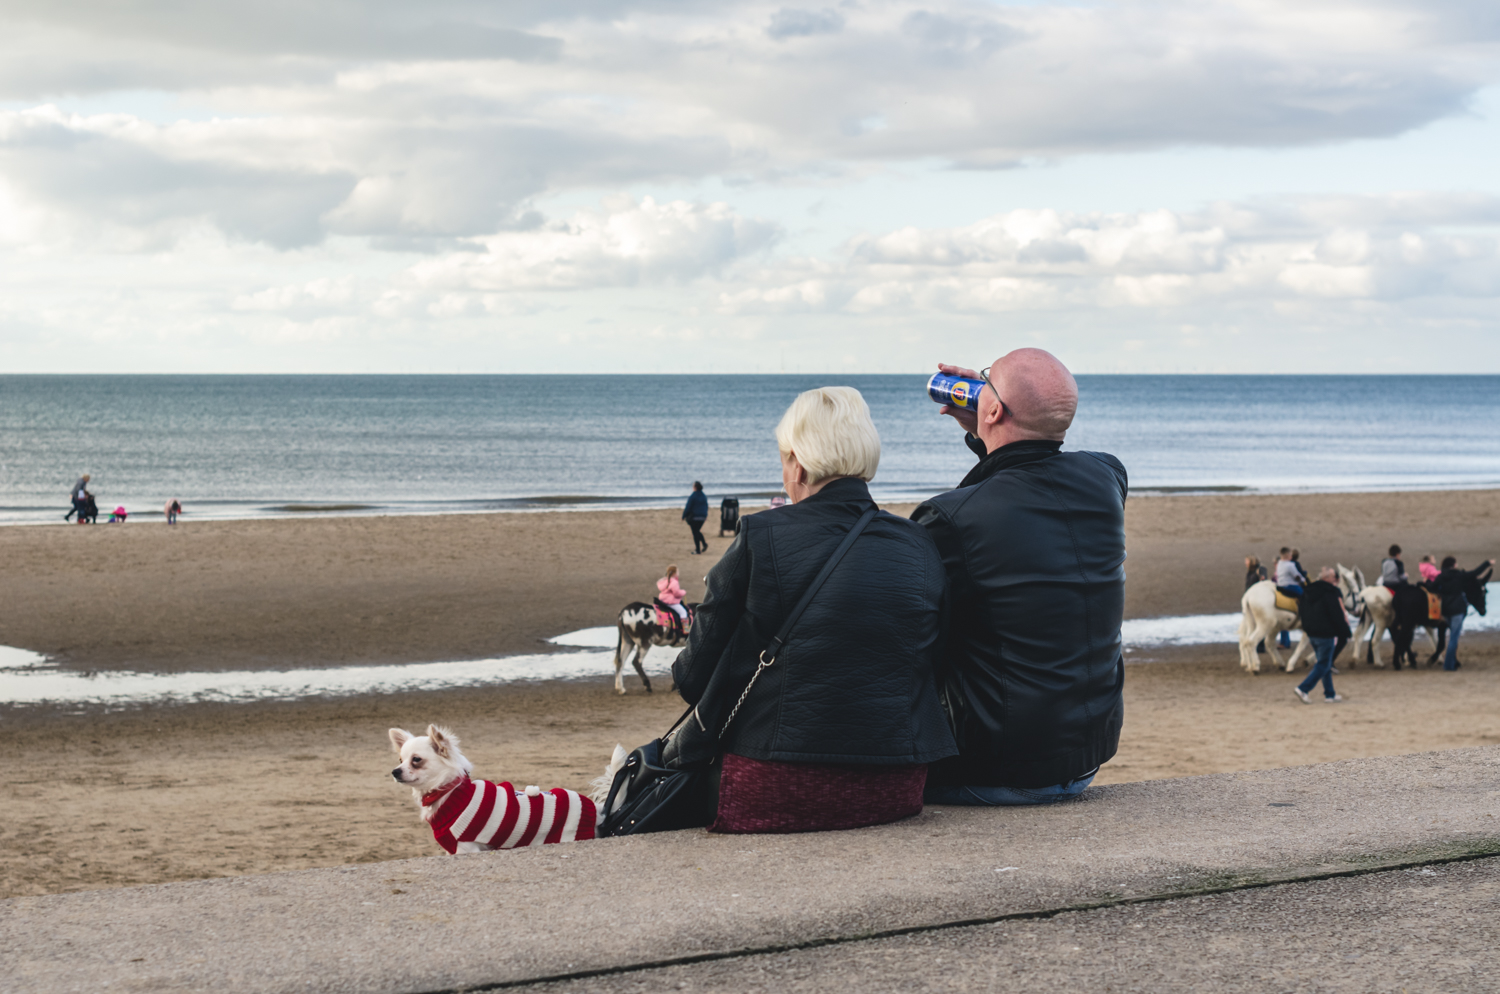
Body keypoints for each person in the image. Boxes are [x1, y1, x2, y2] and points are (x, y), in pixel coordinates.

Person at [667, 387, 957, 833]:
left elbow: (691, 679)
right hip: (895, 786)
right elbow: (934, 663)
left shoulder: (760, 535)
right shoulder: (918, 543)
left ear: (797, 463)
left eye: (783, 459)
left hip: (773, 782)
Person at [911, 349, 1126, 807]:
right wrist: (990, 430)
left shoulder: (944, 517)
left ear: (991, 408)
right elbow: (1029, 474)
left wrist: (992, 426)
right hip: (1085, 757)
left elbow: (980, 510)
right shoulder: (1107, 477)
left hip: (995, 767)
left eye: (987, 380)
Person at [1293, 566, 1352, 704]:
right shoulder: (1330, 593)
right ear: (1327, 579)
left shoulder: (1308, 591)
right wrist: (1345, 632)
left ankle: (1329, 694)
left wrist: (1307, 629)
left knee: (1324, 663)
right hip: (1325, 634)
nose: (1336, 580)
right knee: (1324, 664)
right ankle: (1303, 688)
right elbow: (1337, 614)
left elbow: (1303, 611)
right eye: (1334, 577)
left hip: (1312, 633)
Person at [1434, 555, 1496, 671]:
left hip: (1445, 611)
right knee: (1453, 638)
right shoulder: (1459, 576)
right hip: (1457, 610)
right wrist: (1487, 563)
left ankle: (1451, 661)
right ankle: (1448, 665)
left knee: (1448, 636)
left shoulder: (1441, 577)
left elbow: (1432, 587)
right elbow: (1475, 573)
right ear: (1453, 565)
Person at [1274, 547, 1307, 648]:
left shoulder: (1279, 563)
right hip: (1290, 586)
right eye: (1290, 555)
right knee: (1305, 597)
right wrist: (1303, 579)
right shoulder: (1290, 565)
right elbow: (1297, 576)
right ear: (1288, 556)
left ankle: (1284, 642)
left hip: (1280, 586)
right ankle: (1304, 615)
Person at [655, 564, 688, 638]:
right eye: (677, 571)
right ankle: (686, 630)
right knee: (683, 612)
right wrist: (683, 592)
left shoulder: (664, 581)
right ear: (674, 573)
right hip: (671, 602)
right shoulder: (674, 582)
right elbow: (676, 593)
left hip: (663, 601)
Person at [1245, 556, 1268, 653]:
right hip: (1250, 600)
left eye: (1246, 561)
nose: (1245, 563)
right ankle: (1256, 644)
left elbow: (1263, 575)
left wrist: (1262, 577)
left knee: (1259, 623)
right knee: (1252, 623)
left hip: (1258, 600)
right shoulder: (1250, 572)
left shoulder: (1260, 569)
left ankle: (1260, 646)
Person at [682, 482, 709, 555]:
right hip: (702, 517)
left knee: (695, 532)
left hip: (695, 517)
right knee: (697, 531)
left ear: (695, 487)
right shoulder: (703, 496)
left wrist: (684, 515)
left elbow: (688, 506)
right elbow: (706, 506)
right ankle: (704, 544)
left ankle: (698, 550)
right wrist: (705, 515)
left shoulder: (693, 496)